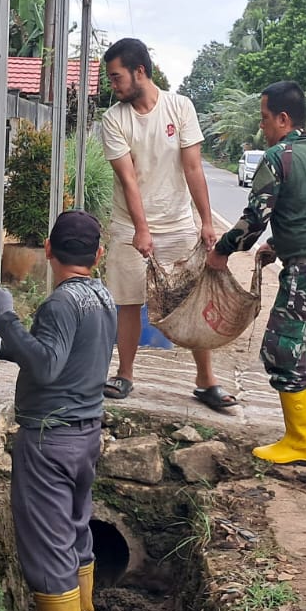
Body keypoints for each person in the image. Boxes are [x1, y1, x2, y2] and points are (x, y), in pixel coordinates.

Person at [0, 210, 116, 611]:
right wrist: (0, 349)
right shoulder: (101, 298)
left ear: (48, 250)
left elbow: (46, 366)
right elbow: (65, 360)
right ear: (98, 255)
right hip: (84, 440)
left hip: (50, 444)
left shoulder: (61, 303)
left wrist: (5, 317)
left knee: (49, 556)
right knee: (75, 537)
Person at [208, 81, 306, 466]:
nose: (262, 127)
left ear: (283, 118)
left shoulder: (277, 156)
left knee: (282, 351)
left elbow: (254, 220)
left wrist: (222, 251)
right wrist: (278, 246)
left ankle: (300, 442)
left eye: (264, 118)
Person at [99, 38, 238, 413]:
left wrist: (206, 222)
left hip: (178, 223)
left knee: (190, 300)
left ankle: (205, 380)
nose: (113, 85)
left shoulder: (180, 107)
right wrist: (142, 229)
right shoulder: (114, 119)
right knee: (128, 302)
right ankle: (125, 374)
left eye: (116, 77)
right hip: (130, 226)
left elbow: (193, 168)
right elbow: (129, 180)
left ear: (139, 72)